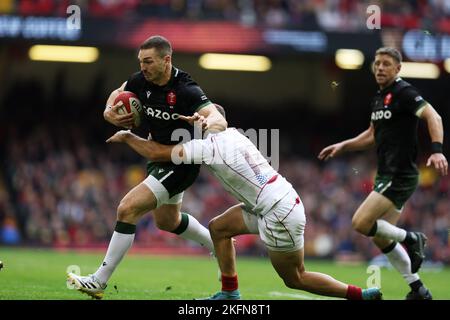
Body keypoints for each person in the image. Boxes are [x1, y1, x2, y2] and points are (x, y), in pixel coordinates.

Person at [105, 104, 382, 300]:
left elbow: (159, 152)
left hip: (278, 211)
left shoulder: (209, 146)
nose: (194, 118)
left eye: (200, 115)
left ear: (214, 120)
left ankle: (357, 295)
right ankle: (230, 292)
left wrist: (130, 137)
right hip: (271, 202)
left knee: (295, 277)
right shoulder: (233, 134)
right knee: (218, 228)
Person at [67, 35, 227, 299]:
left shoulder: (187, 89)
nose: (143, 67)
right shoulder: (140, 80)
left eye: (149, 61)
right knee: (168, 221)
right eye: (141, 61)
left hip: (181, 161)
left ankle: (99, 280)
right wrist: (108, 111)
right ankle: (218, 244)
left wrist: (206, 122)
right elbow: (117, 93)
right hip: (158, 158)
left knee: (127, 208)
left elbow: (218, 117)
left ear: (167, 60)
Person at [318, 47, 448, 300]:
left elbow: (434, 116)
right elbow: (372, 135)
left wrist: (437, 150)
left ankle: (412, 238)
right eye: (377, 63)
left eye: (386, 64)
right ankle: (418, 289)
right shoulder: (379, 98)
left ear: (397, 69)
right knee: (379, 236)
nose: (379, 67)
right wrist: (344, 145)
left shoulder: (404, 93)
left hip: (400, 174)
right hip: (387, 174)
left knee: (360, 222)